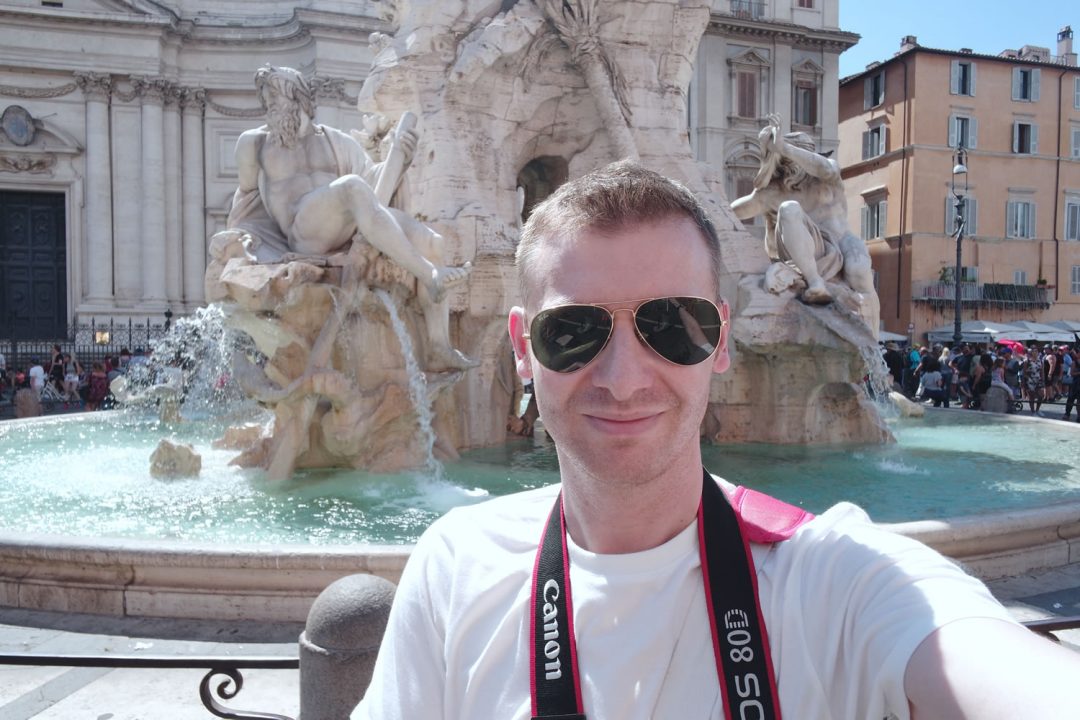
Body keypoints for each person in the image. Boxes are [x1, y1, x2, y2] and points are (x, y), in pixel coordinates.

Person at [353, 161, 1080, 719]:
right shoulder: (454, 565)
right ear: (521, 347)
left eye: (673, 325)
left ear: (721, 340)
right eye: (573, 332)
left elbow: (999, 671)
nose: (623, 376)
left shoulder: (836, 578)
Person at [229, 65, 473, 370]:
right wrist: (244, 244)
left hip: (348, 222)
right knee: (351, 187)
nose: (269, 107)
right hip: (303, 233)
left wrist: (401, 157)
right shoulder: (254, 143)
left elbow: (374, 188)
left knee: (433, 243)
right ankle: (428, 273)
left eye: (275, 98)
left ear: (299, 98)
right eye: (266, 101)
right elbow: (247, 201)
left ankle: (439, 344)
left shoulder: (334, 140)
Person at [730, 114, 879, 333]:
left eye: (797, 156)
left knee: (859, 270)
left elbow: (825, 168)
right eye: (786, 159)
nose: (793, 165)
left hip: (840, 241)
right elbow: (734, 211)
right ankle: (815, 283)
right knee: (789, 209)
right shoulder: (774, 192)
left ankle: (872, 334)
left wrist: (785, 147)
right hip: (809, 254)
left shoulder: (827, 177)